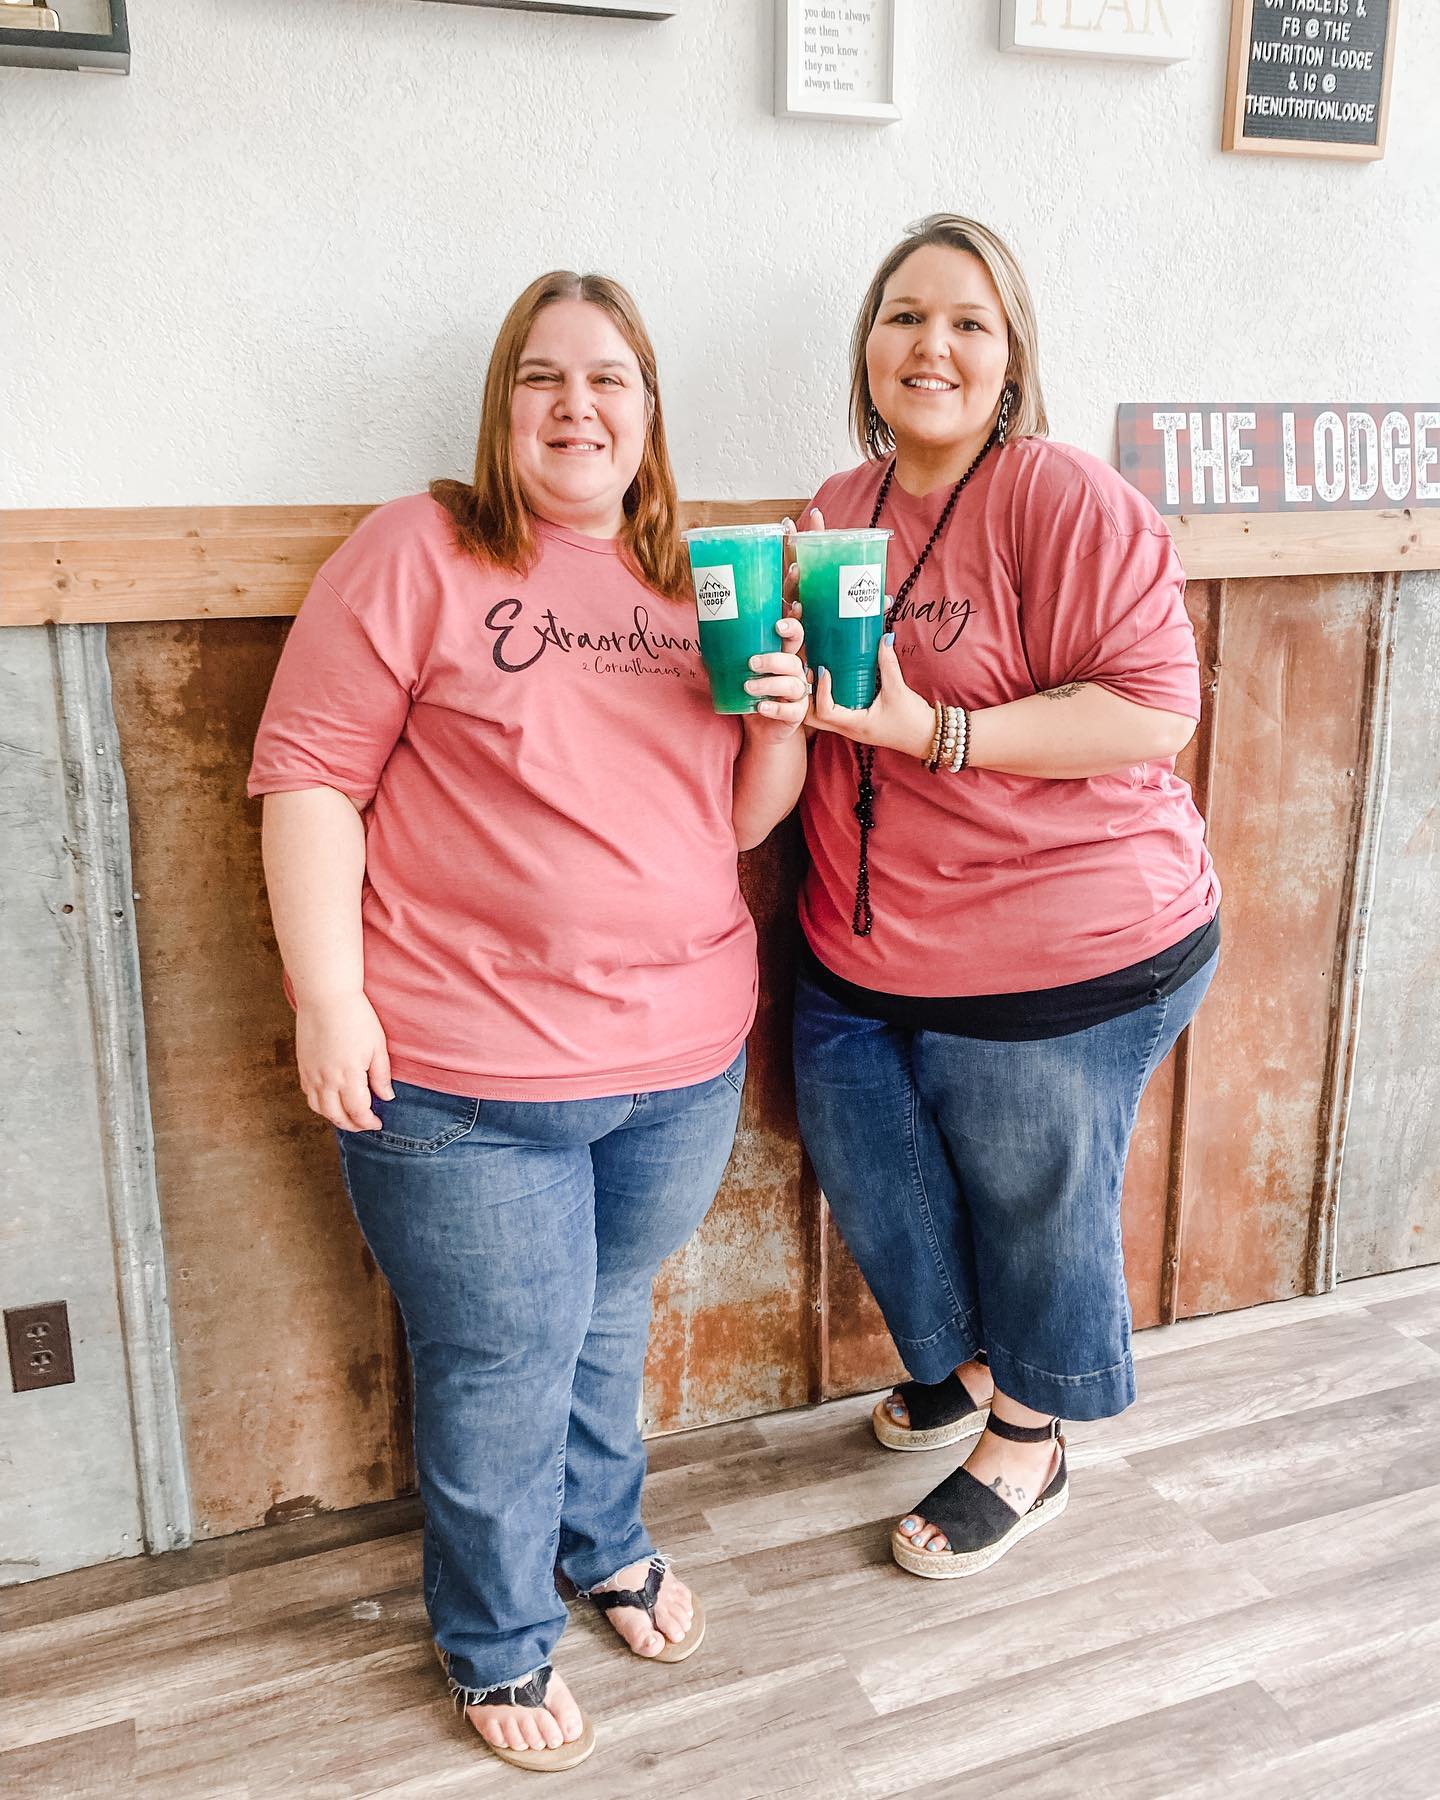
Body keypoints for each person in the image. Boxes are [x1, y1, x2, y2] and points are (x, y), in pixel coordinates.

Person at [247, 271, 809, 1771]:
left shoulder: (696, 576)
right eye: (543, 377)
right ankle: (497, 1640)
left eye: (610, 377)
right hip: (463, 1076)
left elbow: (737, 817)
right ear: (502, 409)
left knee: (608, 1319)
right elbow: (310, 777)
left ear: (648, 411)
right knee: (500, 1365)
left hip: (678, 1061)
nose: (578, 405)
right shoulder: (418, 549)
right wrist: (328, 997)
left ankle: (603, 1540)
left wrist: (783, 718)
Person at [790, 214, 1219, 1580]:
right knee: (866, 1147)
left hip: (1071, 939)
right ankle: (974, 1366)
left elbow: (1154, 710)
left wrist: (937, 731)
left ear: (1012, 359)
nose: (934, 345)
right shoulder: (835, 512)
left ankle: (1032, 1436)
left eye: (968, 322)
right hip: (871, 941)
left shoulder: (1060, 496)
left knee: (1037, 1180)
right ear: (868, 348)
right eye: (905, 316)